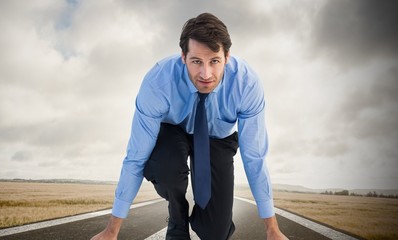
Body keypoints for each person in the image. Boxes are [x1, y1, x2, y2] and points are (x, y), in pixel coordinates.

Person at [91, 13, 288, 240]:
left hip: (218, 139)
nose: (206, 74)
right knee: (165, 166)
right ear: (183, 57)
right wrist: (111, 231)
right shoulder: (158, 83)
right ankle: (177, 215)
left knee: (216, 233)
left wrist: (272, 230)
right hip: (173, 132)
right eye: (196, 61)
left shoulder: (247, 85)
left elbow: (255, 157)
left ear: (227, 57)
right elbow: (136, 156)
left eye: (214, 61)